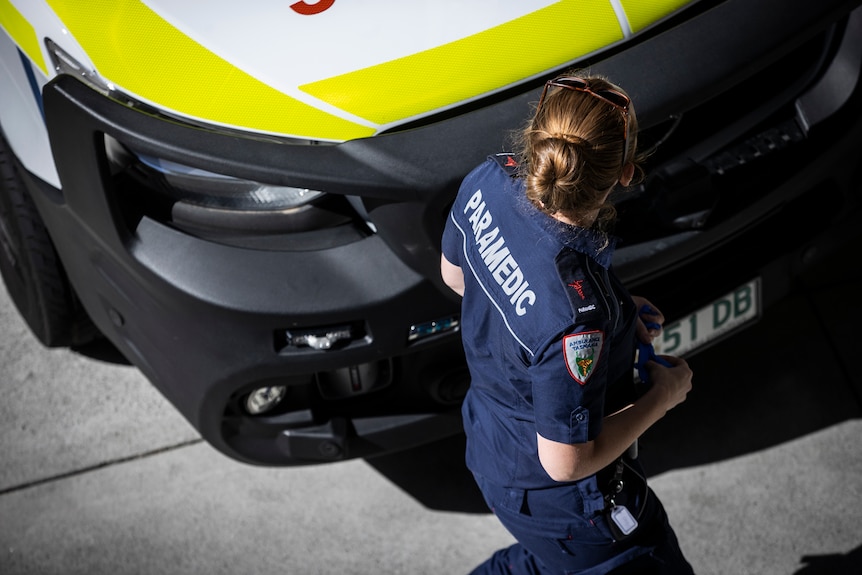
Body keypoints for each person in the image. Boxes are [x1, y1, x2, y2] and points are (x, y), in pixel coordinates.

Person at [440, 73, 696, 574]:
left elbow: (456, 276)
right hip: (557, 500)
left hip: (491, 443)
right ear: (624, 174)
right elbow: (566, 462)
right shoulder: (578, 322)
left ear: (537, 139)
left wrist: (618, 316)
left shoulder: (488, 179)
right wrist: (663, 396)